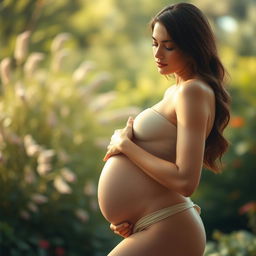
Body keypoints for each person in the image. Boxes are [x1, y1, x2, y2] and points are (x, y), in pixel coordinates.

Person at [97, 2, 230, 256]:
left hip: (170, 225)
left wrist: (126, 146)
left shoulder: (193, 91)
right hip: (155, 223)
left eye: (169, 46)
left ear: (193, 47)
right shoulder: (177, 91)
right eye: (154, 43)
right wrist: (133, 216)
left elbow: (185, 180)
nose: (158, 54)